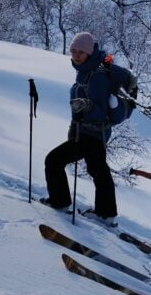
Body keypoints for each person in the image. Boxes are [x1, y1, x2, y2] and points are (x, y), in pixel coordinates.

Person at [41, 32, 118, 226]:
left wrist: (86, 106)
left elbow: (100, 110)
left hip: (92, 133)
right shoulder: (86, 70)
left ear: (90, 53)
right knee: (98, 170)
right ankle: (105, 214)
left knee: (54, 160)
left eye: (81, 52)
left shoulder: (98, 75)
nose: (76, 55)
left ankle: (62, 203)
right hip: (85, 132)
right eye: (73, 51)